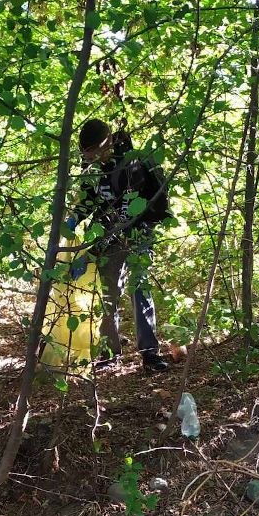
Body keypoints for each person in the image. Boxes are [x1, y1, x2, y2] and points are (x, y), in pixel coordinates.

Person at [68, 118, 170, 373]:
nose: (88, 158)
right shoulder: (91, 165)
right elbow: (89, 198)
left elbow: (122, 217)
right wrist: (73, 219)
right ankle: (110, 351)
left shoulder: (131, 165)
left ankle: (149, 354)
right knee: (109, 292)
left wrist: (91, 252)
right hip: (109, 231)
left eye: (91, 153)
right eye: (85, 154)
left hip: (137, 231)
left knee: (139, 287)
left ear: (106, 144)